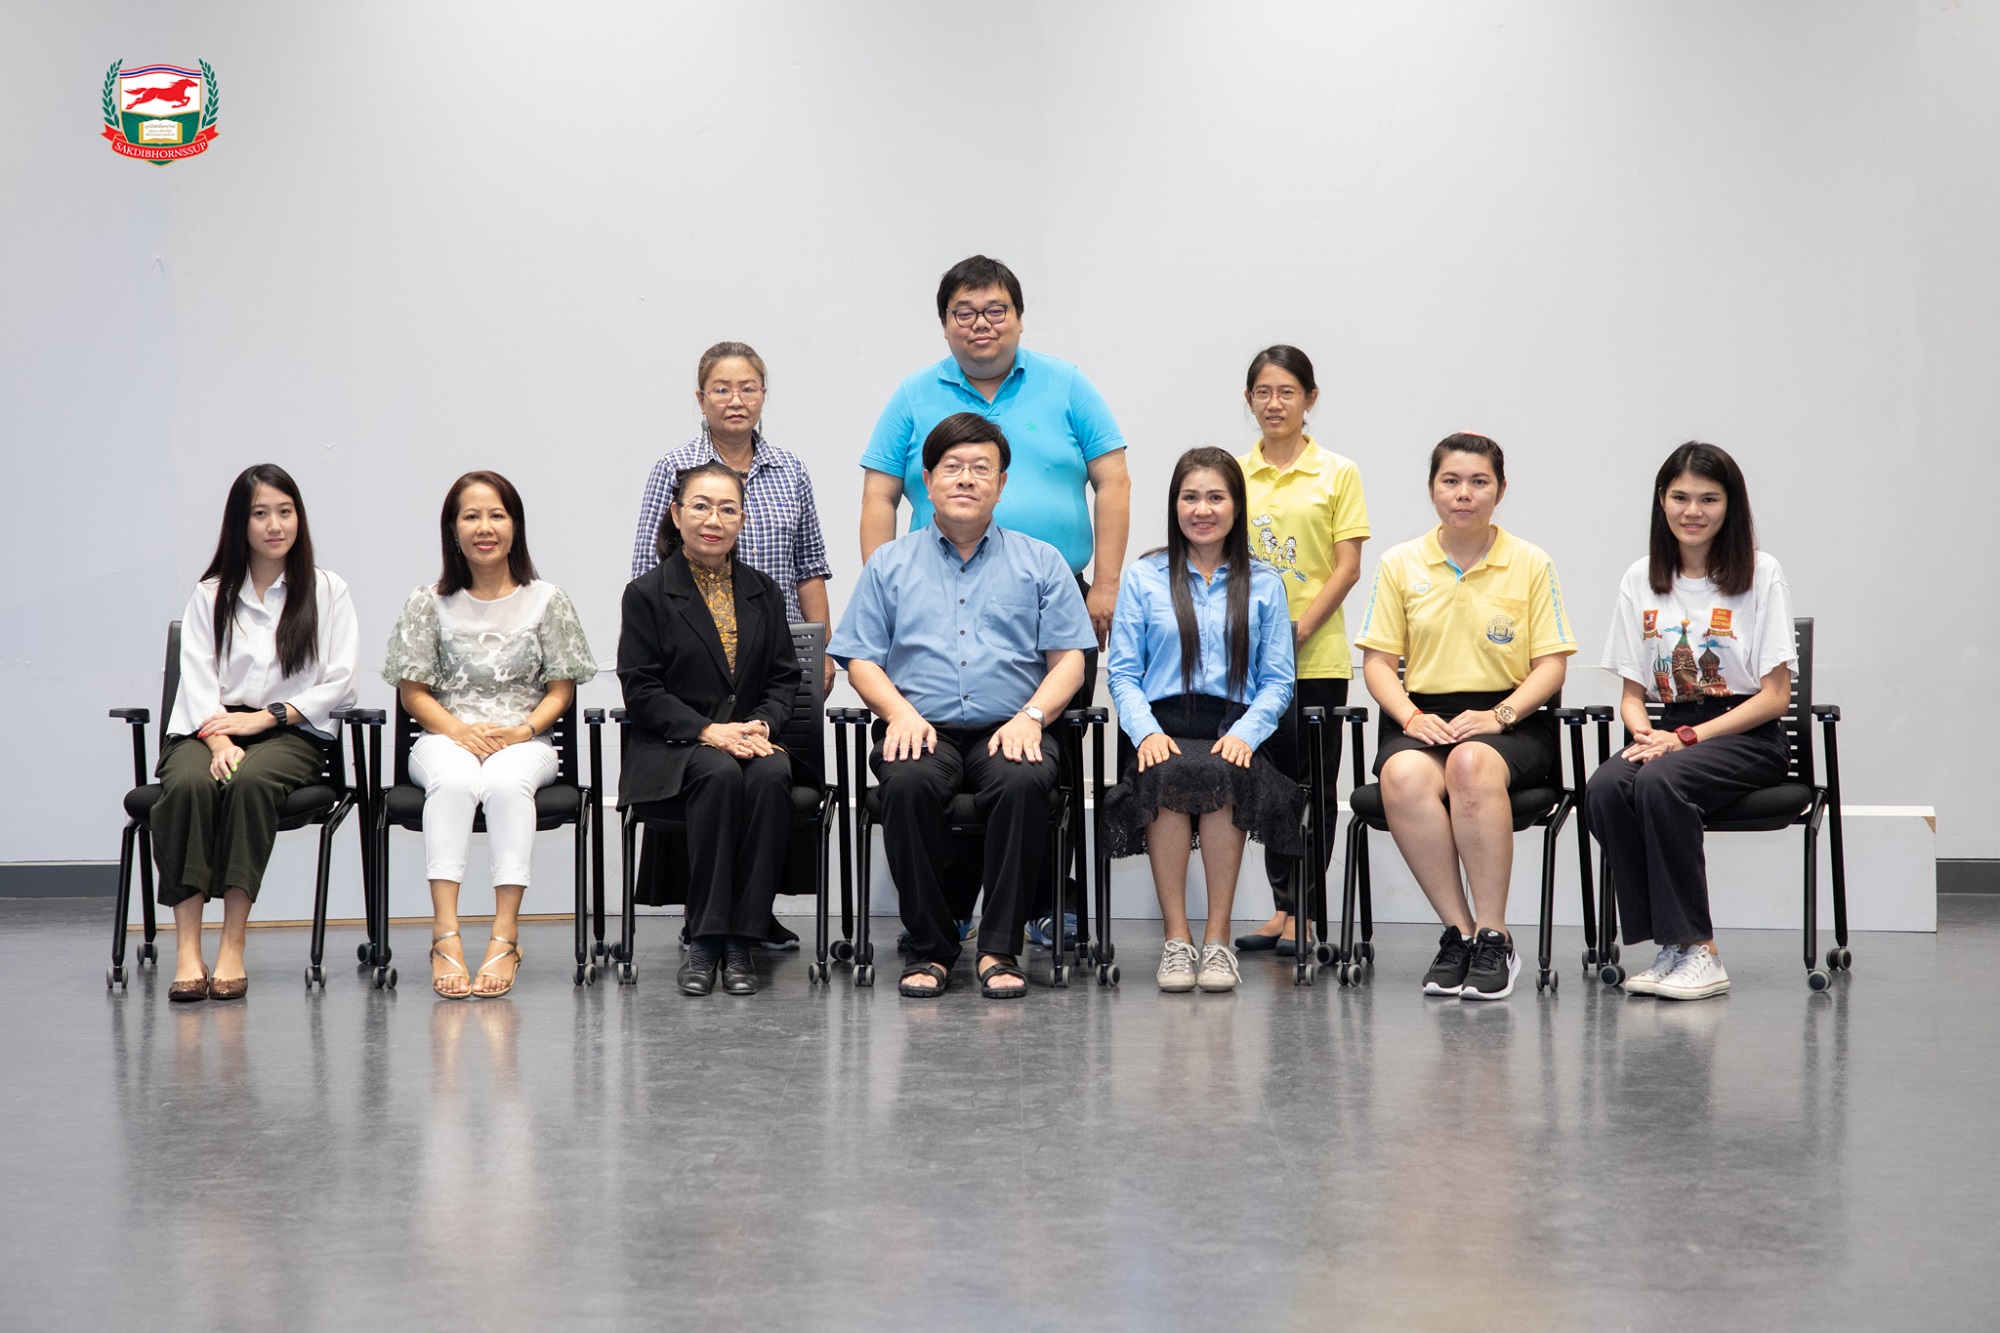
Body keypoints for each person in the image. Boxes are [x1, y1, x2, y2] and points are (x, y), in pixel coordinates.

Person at [859, 255, 1131, 945]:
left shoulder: (1066, 383)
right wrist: (889, 584)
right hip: (933, 591)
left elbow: (1113, 480)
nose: (980, 323)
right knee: (934, 756)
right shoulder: (914, 393)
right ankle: (949, 912)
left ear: (1018, 316)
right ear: (945, 322)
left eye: (995, 310)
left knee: (1036, 753)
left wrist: (1104, 584)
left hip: (1054, 599)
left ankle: (1043, 905)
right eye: (964, 312)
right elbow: (879, 495)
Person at [831, 413, 1095, 999]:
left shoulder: (1042, 561)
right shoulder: (889, 564)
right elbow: (861, 659)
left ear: (1002, 484)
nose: (966, 479)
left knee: (1023, 781)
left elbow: (1070, 662)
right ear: (927, 482)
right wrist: (899, 713)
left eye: (981, 468)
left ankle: (999, 948)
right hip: (920, 727)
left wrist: (1032, 718)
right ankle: (932, 948)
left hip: (1013, 726)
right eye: (952, 467)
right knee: (905, 783)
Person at [1353, 433, 1576, 1000]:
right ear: (1432, 488)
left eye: (1479, 482)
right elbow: (1378, 663)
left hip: (1511, 718)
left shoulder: (1530, 562)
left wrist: (1501, 714)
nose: (1464, 494)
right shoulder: (1400, 562)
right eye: (1450, 481)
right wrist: (1410, 717)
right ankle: (1461, 932)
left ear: (1500, 490)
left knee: (1471, 764)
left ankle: (1496, 935)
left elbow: (1551, 666)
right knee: (1403, 775)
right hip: (1424, 717)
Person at [629, 341, 833, 951]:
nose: (735, 399)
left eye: (748, 387)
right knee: (717, 774)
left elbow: (810, 565)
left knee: (771, 775)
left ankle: (752, 916)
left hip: (769, 656)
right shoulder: (674, 467)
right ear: (701, 398)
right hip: (689, 661)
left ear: (764, 395)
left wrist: (818, 652)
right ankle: (710, 923)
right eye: (721, 388)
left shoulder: (790, 469)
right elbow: (646, 563)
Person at [1586, 443, 1796, 1001]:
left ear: (1731, 504)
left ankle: (1702, 950)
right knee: (1607, 786)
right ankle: (1673, 946)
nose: (1693, 511)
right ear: (1662, 501)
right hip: (1673, 730)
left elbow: (1776, 697)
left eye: (1709, 498)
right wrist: (1645, 734)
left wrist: (1685, 739)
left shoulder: (1761, 572)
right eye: (1680, 497)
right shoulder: (1641, 577)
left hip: (1747, 735)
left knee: (1660, 780)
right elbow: (1633, 694)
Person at [384, 471, 596, 999]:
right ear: (452, 530)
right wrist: (459, 731)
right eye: (471, 516)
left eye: (497, 515)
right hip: (444, 738)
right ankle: (445, 935)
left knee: (504, 783)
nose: (485, 527)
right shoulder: (427, 602)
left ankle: (505, 936)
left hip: (525, 741)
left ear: (515, 526)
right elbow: (413, 694)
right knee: (455, 782)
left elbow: (561, 690)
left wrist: (522, 730)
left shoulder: (548, 600)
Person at [153, 465, 359, 1002]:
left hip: (289, 731)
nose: (275, 525)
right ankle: (188, 950)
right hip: (209, 727)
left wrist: (268, 717)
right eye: (260, 513)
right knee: (190, 785)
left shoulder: (328, 590)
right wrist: (219, 738)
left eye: (285, 512)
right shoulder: (211, 595)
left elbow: (341, 681)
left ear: (299, 518)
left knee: (248, 784)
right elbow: (196, 678)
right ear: (239, 524)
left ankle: (233, 944)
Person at [1102, 449, 1300, 993]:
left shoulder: (1265, 583)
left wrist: (1246, 734)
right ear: (1175, 505)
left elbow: (1278, 681)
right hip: (1160, 724)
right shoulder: (1144, 577)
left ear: (1236, 506)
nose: (1202, 509)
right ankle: (1177, 940)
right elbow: (1123, 673)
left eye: (1216, 497)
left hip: (1233, 727)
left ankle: (1217, 942)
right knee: (1167, 770)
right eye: (1190, 497)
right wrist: (1146, 732)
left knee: (1220, 773)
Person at [618, 462, 803, 997]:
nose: (713, 520)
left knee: (773, 774)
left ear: (742, 520)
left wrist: (763, 723)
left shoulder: (764, 591)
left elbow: (784, 678)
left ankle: (742, 939)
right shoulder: (647, 593)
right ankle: (705, 938)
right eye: (700, 506)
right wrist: (708, 731)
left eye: (727, 509)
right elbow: (642, 688)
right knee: (718, 774)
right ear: (677, 515)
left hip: (751, 738)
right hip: (676, 745)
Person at [1230, 346, 1370, 956]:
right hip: (1249, 662)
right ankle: (1282, 909)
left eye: (1287, 391)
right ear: (1249, 399)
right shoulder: (1234, 473)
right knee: (1269, 787)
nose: (1274, 403)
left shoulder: (1337, 472)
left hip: (1316, 659)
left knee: (1313, 786)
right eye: (1263, 392)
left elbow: (1347, 567)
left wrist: (1296, 632)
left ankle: (1308, 912)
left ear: (1310, 399)